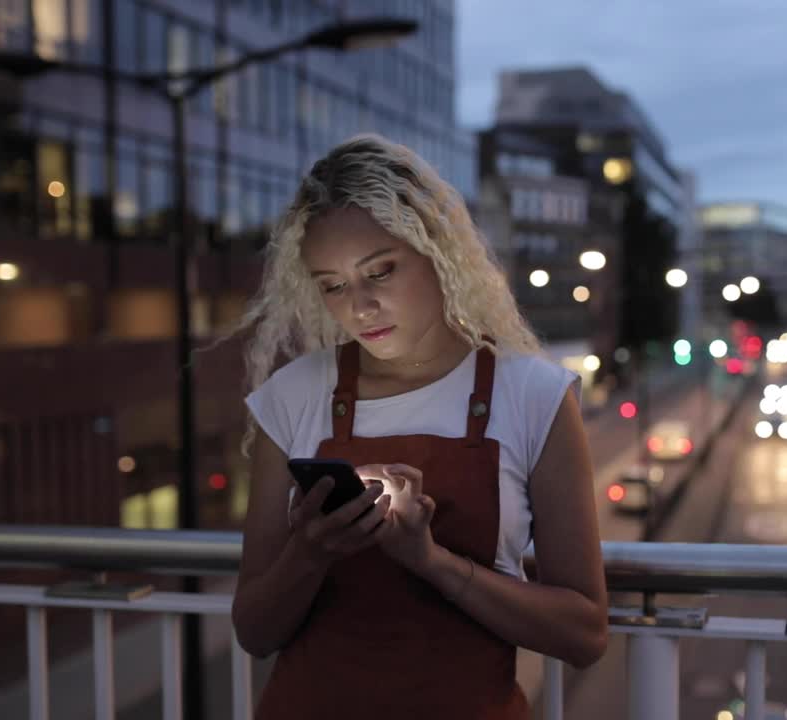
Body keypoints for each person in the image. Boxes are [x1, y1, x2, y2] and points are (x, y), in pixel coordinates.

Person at [230, 134, 608, 719]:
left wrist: (431, 561)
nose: (359, 306)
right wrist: (309, 551)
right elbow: (254, 631)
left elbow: (583, 634)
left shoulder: (532, 395)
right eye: (332, 284)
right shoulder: (296, 395)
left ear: (438, 252)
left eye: (380, 271)